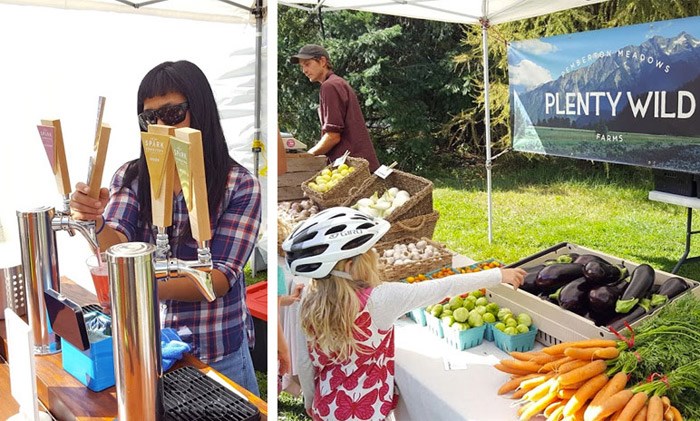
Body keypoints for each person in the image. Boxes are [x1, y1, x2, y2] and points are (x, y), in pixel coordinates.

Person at [69, 60, 262, 396]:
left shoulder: (239, 185)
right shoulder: (131, 176)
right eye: (149, 118)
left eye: (173, 113)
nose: (160, 125)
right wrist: (94, 219)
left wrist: (134, 287)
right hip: (150, 345)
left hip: (217, 350)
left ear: (199, 111)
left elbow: (217, 278)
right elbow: (115, 242)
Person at [283, 207, 526, 421]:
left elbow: (305, 362)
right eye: (370, 252)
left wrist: (311, 402)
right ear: (349, 266)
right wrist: (498, 275)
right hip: (369, 410)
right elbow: (444, 287)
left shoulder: (307, 298)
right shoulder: (380, 299)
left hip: (328, 406)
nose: (375, 257)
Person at [290, 44, 381, 172]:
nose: (304, 70)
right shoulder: (337, 82)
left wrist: (308, 156)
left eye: (307, 64)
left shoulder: (330, 86)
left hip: (351, 169)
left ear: (322, 61)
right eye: (302, 66)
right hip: (358, 166)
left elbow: (333, 136)